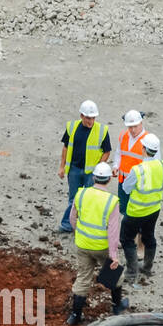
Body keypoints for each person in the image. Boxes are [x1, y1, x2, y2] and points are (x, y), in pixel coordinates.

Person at [66, 162, 127, 325]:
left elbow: (72, 218)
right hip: (102, 247)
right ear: (108, 180)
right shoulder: (112, 201)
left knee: (83, 278)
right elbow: (113, 232)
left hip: (83, 244)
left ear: (94, 178)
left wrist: (78, 232)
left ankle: (75, 316)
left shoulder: (82, 194)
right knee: (114, 275)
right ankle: (117, 306)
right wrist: (114, 257)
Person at [58, 100, 111, 233]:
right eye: (88, 118)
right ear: (81, 116)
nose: (91, 121)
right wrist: (62, 167)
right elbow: (65, 147)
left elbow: (106, 151)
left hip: (91, 173)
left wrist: (99, 169)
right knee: (73, 200)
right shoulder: (72, 127)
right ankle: (67, 225)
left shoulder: (102, 130)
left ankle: (84, 227)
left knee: (88, 201)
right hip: (74, 170)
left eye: (93, 118)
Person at [120, 133, 163, 279]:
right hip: (154, 210)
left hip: (136, 211)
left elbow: (126, 188)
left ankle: (132, 272)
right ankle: (147, 267)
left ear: (143, 149)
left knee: (127, 239)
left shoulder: (138, 170)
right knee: (149, 237)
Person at [115, 110, 148, 215]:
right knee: (123, 208)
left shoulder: (148, 140)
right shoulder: (123, 136)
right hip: (123, 180)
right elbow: (118, 153)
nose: (133, 130)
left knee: (137, 210)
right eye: (130, 127)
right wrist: (116, 166)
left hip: (138, 183)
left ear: (141, 123)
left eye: (135, 126)